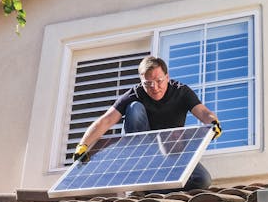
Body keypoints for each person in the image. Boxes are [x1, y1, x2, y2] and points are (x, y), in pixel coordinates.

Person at [73, 55, 221, 190]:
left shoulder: (181, 92)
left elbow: (202, 112)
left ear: (167, 77)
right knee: (134, 108)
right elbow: (106, 120)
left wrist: (213, 123)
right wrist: (83, 145)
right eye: (148, 84)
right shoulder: (135, 94)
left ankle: (154, 190)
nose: (154, 88)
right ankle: (138, 174)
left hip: (171, 150)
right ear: (141, 81)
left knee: (202, 180)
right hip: (142, 151)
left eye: (159, 81)